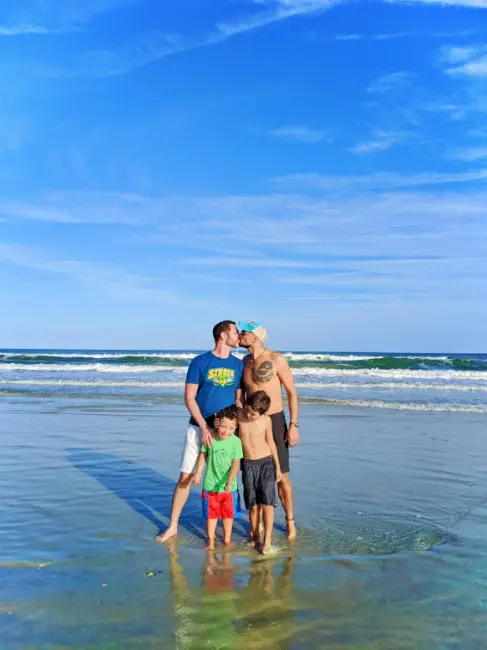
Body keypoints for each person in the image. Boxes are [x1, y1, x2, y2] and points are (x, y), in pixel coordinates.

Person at [156, 320, 243, 543]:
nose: (238, 335)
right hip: (199, 428)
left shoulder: (238, 365)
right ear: (223, 336)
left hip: (227, 432)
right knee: (186, 476)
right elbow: (189, 397)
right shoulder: (200, 362)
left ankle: (229, 531)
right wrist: (204, 426)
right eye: (235, 332)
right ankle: (173, 525)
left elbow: (239, 399)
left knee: (229, 478)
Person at [239, 321, 299, 541]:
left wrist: (293, 425)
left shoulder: (276, 359)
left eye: (243, 332)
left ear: (254, 337)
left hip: (274, 420)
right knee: (252, 472)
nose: (239, 335)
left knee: (280, 474)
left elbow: (292, 393)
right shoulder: (244, 362)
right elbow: (241, 396)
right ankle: (258, 525)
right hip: (249, 421)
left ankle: (290, 521)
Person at [238, 390, 282, 554]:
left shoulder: (266, 421)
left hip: (265, 464)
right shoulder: (240, 416)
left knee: (267, 505)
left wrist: (277, 466)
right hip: (248, 464)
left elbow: (271, 442)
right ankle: (256, 537)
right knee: (253, 505)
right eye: (248, 411)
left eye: (253, 414)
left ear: (262, 412)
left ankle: (267, 540)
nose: (249, 416)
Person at [193, 405, 243, 549]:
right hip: (210, 485)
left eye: (231, 428)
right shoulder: (211, 437)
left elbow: (236, 464)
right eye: (223, 426)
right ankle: (211, 541)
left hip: (229, 487)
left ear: (235, 428)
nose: (226, 431)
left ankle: (227, 539)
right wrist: (198, 473)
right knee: (211, 515)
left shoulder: (236, 442)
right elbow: (203, 455)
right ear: (217, 423)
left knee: (228, 516)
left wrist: (229, 481)